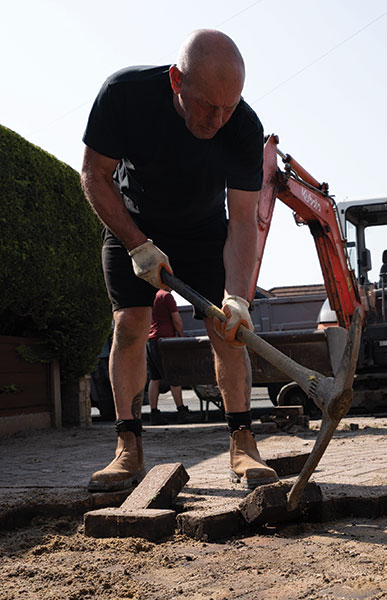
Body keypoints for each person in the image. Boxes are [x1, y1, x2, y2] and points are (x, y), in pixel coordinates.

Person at [82, 29, 278, 492]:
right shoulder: (125, 96)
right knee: (130, 324)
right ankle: (127, 447)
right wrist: (136, 244)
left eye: (229, 107)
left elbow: (244, 221)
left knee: (229, 332)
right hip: (131, 220)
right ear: (176, 80)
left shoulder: (242, 127)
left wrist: (238, 297)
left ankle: (243, 442)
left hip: (203, 230)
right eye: (209, 105)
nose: (218, 118)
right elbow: (93, 176)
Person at [147, 289, 192, 425]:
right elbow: (176, 319)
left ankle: (154, 413)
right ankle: (181, 412)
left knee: (155, 378)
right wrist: (182, 337)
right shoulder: (166, 296)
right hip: (165, 341)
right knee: (174, 377)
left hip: (151, 340)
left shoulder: (151, 295)